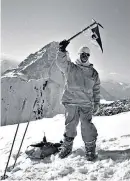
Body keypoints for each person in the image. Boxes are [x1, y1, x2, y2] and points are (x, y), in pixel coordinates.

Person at [56, 40, 100, 161]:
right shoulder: (71, 67)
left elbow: (96, 89)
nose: (85, 56)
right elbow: (61, 63)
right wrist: (61, 51)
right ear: (79, 54)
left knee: (87, 126)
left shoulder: (93, 73)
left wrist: (96, 102)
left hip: (86, 104)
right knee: (70, 125)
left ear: (89, 56)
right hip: (71, 102)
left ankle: (90, 149)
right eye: (82, 54)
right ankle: (67, 147)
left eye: (87, 55)